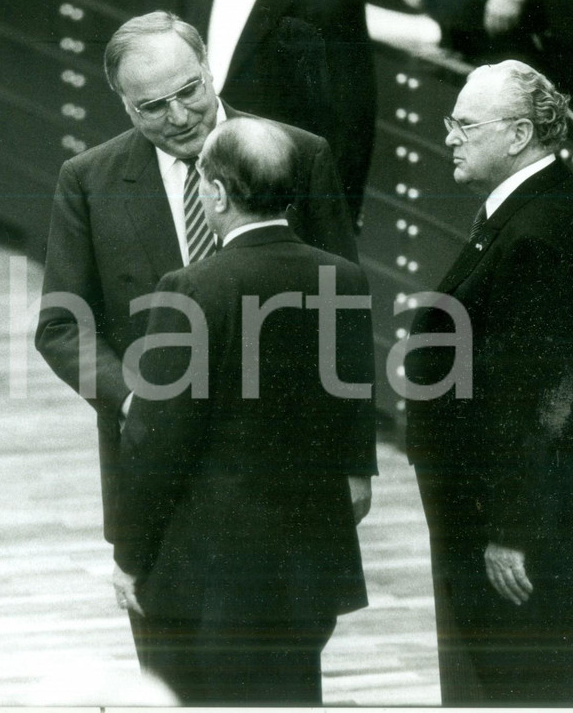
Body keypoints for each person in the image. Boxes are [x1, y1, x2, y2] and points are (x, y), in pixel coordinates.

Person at [35, 10, 358, 666]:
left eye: (190, 90)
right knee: (171, 670)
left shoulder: (300, 153)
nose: (180, 114)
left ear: (210, 68)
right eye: (152, 105)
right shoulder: (89, 180)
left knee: (284, 677)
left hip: (285, 479)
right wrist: (139, 401)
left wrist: (355, 458)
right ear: (123, 104)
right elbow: (64, 323)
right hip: (161, 478)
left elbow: (344, 312)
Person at [111, 117, 376, 704]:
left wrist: (130, 556)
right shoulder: (344, 278)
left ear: (217, 192)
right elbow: (355, 406)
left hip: (214, 572)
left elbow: (156, 438)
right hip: (309, 565)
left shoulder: (190, 288)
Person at [405, 60, 573, 704]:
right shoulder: (531, 207)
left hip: (525, 529)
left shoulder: (538, 230)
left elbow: (541, 398)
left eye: (464, 123)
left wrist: (511, 529)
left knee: (527, 686)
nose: (450, 135)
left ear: (517, 136)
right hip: (514, 512)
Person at [176, 0, 376, 227]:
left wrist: (335, 219)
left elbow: (351, 116)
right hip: (203, 198)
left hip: (287, 205)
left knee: (325, 270)